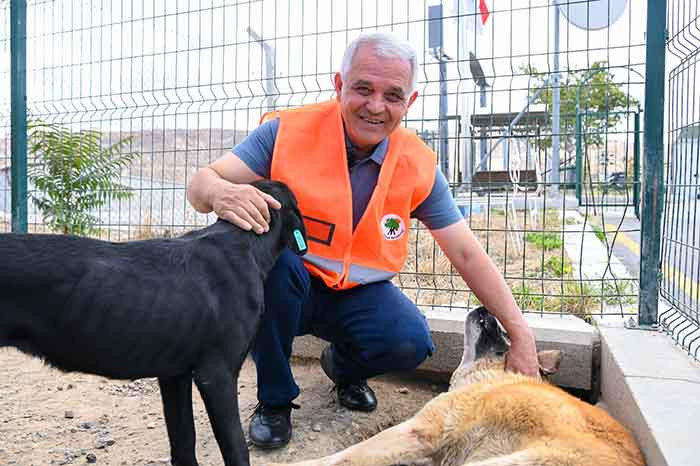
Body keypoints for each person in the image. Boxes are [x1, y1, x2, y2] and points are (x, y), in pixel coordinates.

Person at [186, 32, 539, 450]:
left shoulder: (418, 166)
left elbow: (465, 251)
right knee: (272, 271)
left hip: (356, 296)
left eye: (392, 95)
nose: (375, 106)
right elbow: (200, 183)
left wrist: (521, 333)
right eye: (363, 89)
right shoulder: (287, 132)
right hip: (287, 288)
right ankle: (274, 401)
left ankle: (344, 368)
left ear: (410, 102)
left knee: (410, 340)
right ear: (339, 85)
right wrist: (221, 194)